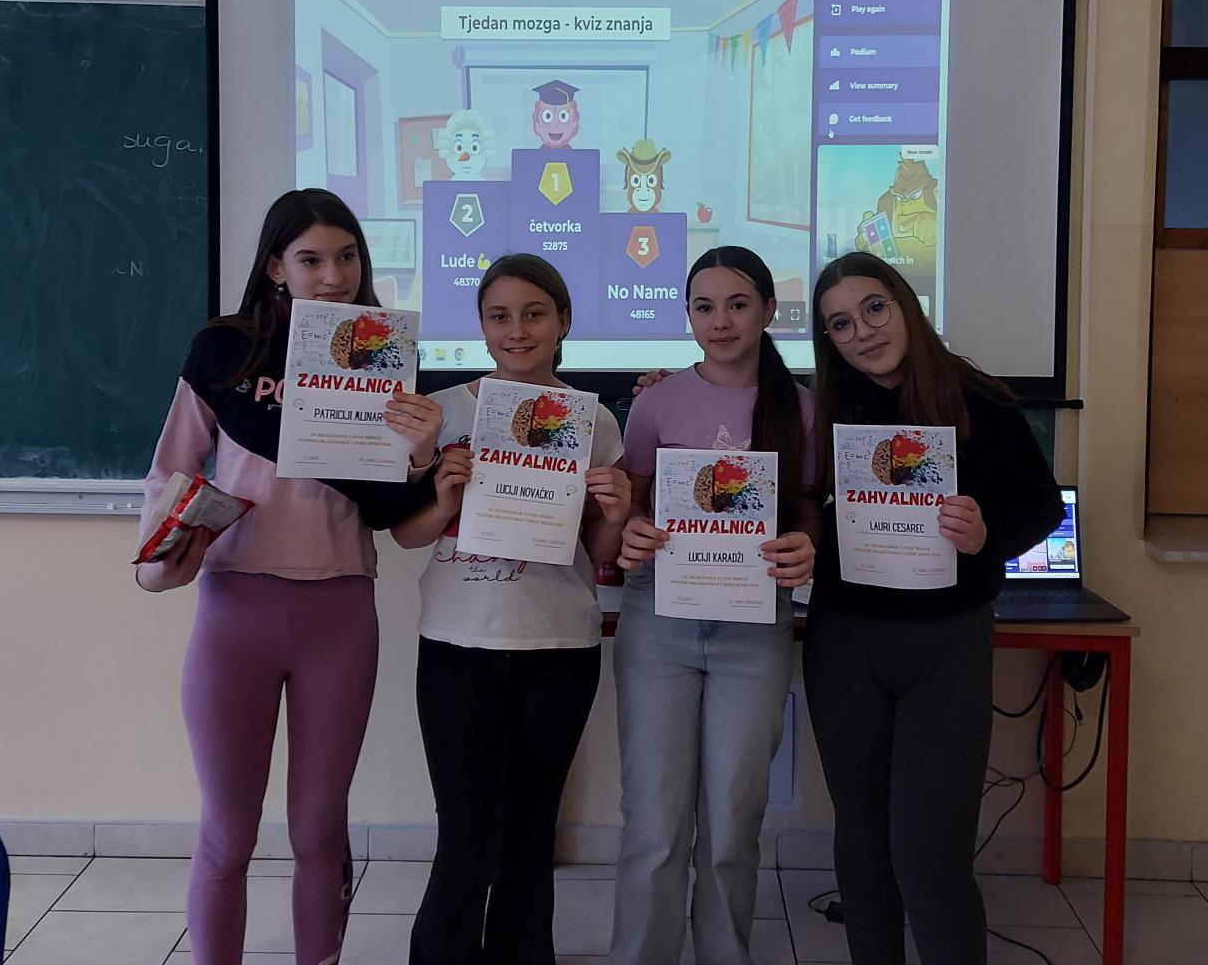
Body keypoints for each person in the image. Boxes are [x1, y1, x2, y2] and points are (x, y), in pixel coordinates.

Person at [136, 188, 444, 965]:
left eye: (347, 257)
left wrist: (419, 455)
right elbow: (172, 468)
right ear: (276, 266)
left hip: (339, 610)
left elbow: (394, 508)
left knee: (317, 831)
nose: (333, 275)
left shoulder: (386, 354)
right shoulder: (222, 349)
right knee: (228, 832)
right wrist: (160, 553)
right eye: (311, 259)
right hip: (235, 608)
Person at [804, 251, 1063, 965]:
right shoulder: (822, 408)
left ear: (906, 305)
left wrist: (986, 535)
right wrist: (664, 383)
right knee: (862, 842)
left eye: (874, 308)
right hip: (846, 643)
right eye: (840, 324)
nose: (862, 331)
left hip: (946, 644)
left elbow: (1041, 506)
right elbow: (752, 432)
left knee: (929, 850)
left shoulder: (979, 400)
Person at [391, 253, 633, 965]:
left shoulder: (593, 420)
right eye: (499, 316)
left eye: (534, 314)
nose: (517, 330)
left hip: (558, 649)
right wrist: (442, 495)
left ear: (564, 322)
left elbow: (600, 550)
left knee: (530, 837)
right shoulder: (443, 413)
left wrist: (617, 512)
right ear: (481, 326)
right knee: (465, 838)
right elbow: (407, 536)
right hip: (457, 645)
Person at [610, 246, 818, 965]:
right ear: (688, 315)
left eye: (737, 304)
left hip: (754, 629)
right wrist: (632, 531)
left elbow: (810, 509)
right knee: (654, 822)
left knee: (732, 822)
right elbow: (633, 509)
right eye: (704, 306)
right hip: (658, 623)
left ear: (768, 310)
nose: (720, 320)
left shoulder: (803, 409)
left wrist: (807, 542)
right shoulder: (657, 401)